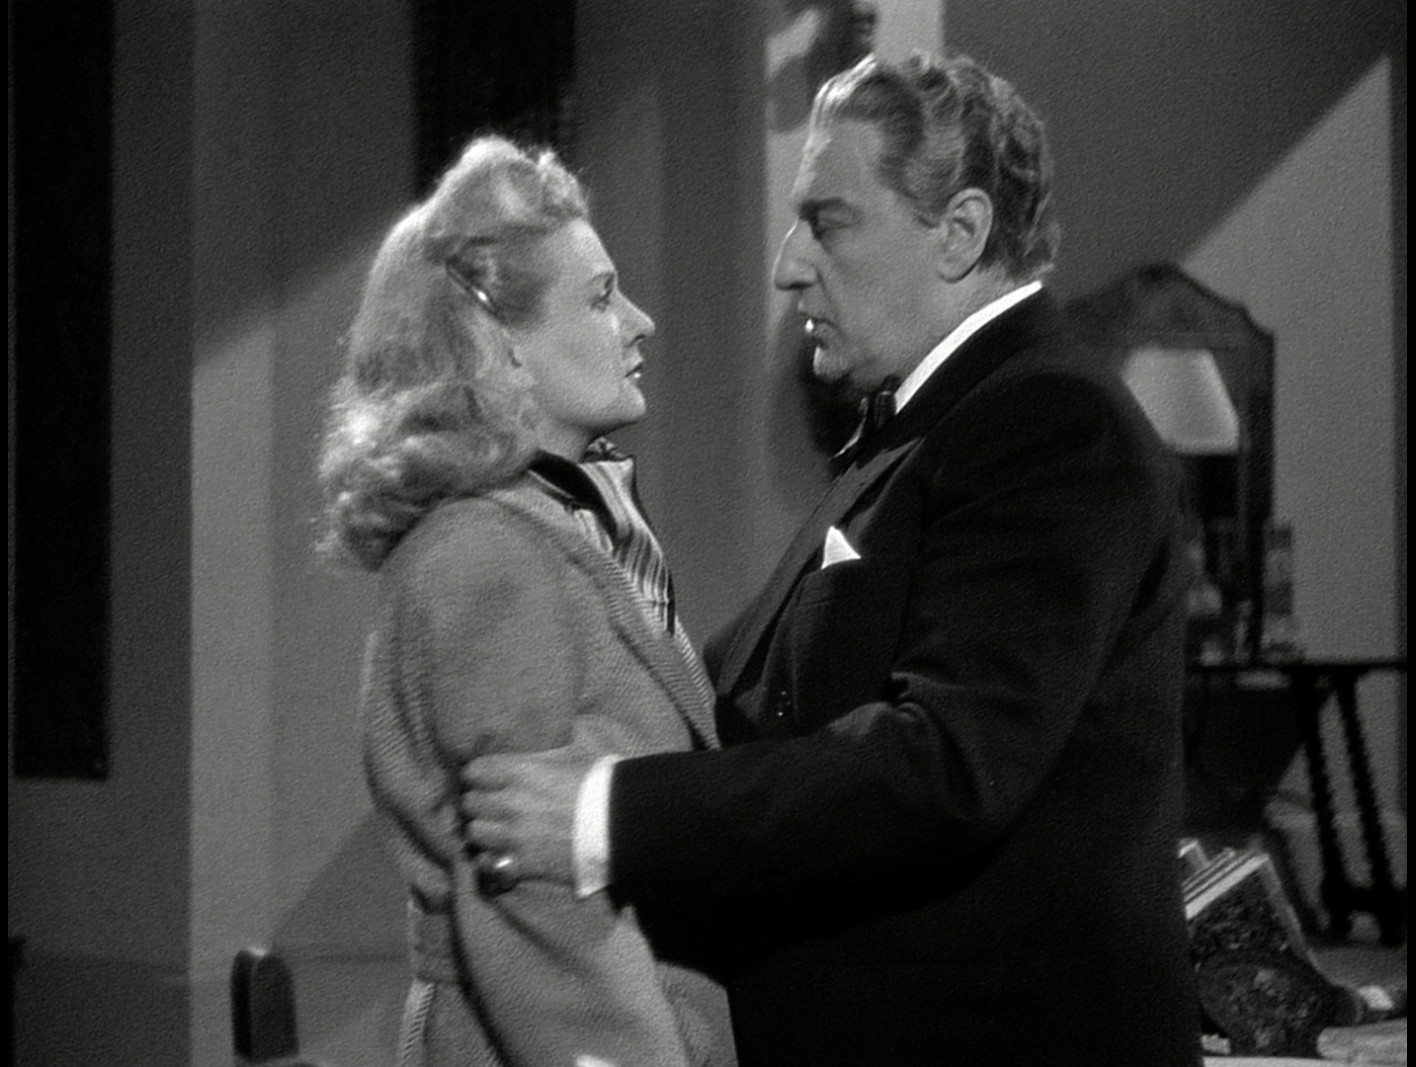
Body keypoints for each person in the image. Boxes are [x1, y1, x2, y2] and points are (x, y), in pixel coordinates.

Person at [461, 52, 1204, 1067]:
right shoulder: (922, 430)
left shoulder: (1051, 421)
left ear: (960, 233)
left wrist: (601, 814)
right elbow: (751, 709)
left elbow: (944, 764)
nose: (788, 265)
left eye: (829, 220)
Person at [317, 134, 734, 1067]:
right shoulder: (486, 554)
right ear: (501, 341)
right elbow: (532, 893)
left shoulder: (546, 528)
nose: (640, 322)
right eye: (600, 297)